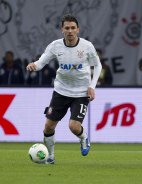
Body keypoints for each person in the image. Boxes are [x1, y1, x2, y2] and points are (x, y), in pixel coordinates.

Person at [26, 14, 102, 164]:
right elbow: (42, 61)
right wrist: (34, 65)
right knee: (48, 127)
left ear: (78, 29)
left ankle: (83, 138)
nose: (70, 31)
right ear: (62, 30)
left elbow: (97, 65)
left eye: (73, 28)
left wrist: (92, 86)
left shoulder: (87, 46)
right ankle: (50, 157)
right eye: (67, 28)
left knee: (73, 127)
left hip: (81, 93)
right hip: (61, 91)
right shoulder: (55, 46)